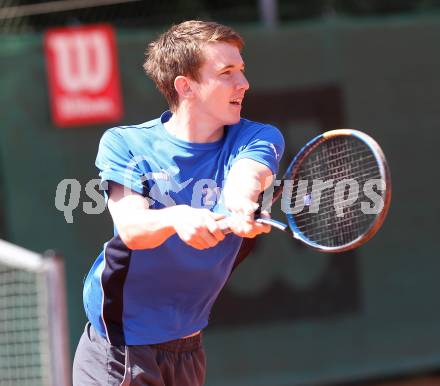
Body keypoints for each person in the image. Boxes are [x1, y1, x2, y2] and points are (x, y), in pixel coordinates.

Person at [72, 20, 285, 386]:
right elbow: (133, 229)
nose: (243, 84)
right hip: (118, 348)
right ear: (186, 86)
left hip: (188, 347)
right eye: (226, 73)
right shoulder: (125, 144)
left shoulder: (257, 137)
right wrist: (179, 218)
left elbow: (246, 179)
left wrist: (240, 209)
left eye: (242, 70)